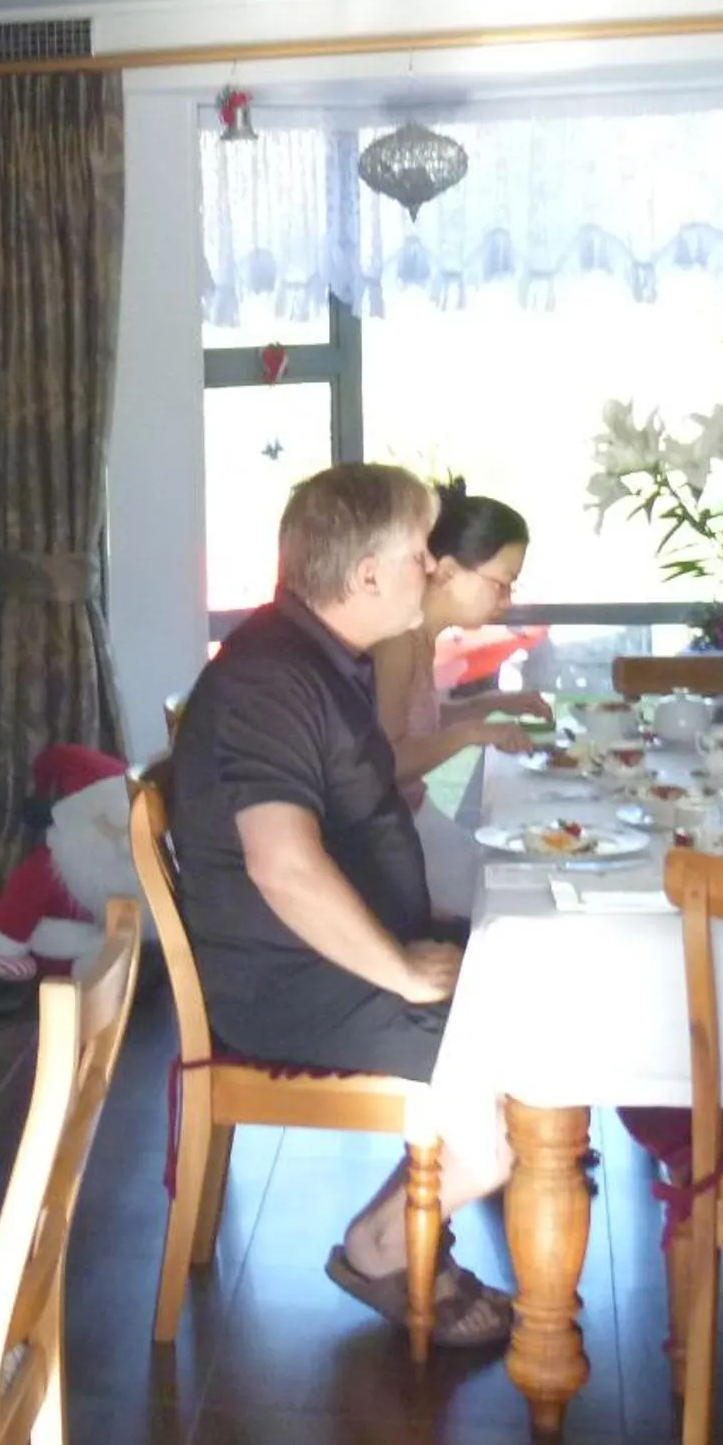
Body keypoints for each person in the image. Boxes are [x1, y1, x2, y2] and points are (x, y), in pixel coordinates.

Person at [169, 464, 511, 1347]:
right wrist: (402, 968)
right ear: (365, 575)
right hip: (291, 982)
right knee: (521, 1070)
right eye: (419, 554)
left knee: (531, 991)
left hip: (330, 955)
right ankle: (382, 1245)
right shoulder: (268, 680)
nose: (432, 569)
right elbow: (282, 868)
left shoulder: (322, 659)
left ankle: (409, 1230)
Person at [372, 481, 551, 918]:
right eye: (501, 584)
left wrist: (491, 703)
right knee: (527, 893)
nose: (507, 601)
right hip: (389, 849)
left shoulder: (420, 637)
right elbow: (384, 764)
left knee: (529, 862)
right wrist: (474, 731)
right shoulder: (397, 643)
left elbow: (419, 720)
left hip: (413, 823)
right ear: (448, 571)